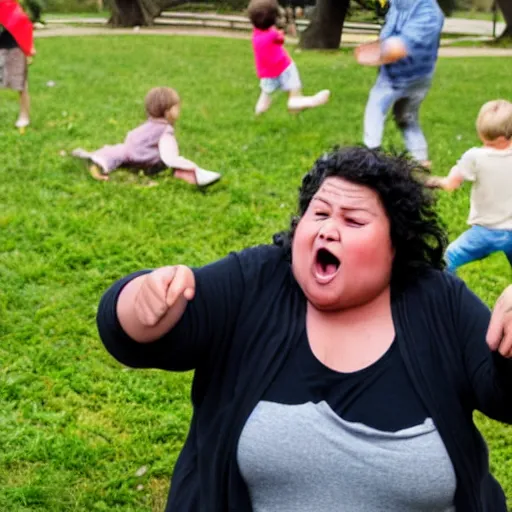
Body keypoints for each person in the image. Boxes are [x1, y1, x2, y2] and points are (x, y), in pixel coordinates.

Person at [97, 147, 512, 511]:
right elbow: (134, 334)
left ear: (395, 248)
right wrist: (139, 303)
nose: (328, 229)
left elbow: (504, 393)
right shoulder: (256, 282)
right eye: (320, 213)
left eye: (353, 221)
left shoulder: (440, 304)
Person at [72, 87, 221, 188]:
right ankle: (199, 176)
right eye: (177, 108)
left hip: (130, 154)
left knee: (114, 152)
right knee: (172, 168)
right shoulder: (165, 131)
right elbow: (170, 156)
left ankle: (97, 160)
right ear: (168, 111)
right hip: (148, 163)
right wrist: (188, 165)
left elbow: (130, 140)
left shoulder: (147, 125)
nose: (179, 111)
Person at [355, 0, 444, 167]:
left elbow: (400, 47)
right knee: (406, 118)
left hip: (404, 77)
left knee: (376, 108)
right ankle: (420, 160)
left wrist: (375, 51)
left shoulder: (429, 12)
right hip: (410, 76)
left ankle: (371, 155)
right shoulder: (401, 4)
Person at [426, 99, 512, 273]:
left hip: (486, 233)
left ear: (480, 132)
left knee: (446, 259)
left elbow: (451, 184)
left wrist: (433, 181)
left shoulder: (474, 157)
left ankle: (450, 296)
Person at [248, 0, 330, 115]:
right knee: (293, 97)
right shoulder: (273, 34)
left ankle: (258, 113)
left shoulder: (256, 34)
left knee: (265, 94)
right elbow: (281, 40)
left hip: (267, 73)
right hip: (283, 68)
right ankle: (311, 101)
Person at [0, 1, 35, 130]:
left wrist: (29, 50)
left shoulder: (12, 10)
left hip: (16, 47)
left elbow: (25, 27)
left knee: (20, 84)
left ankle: (24, 116)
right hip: (2, 45)